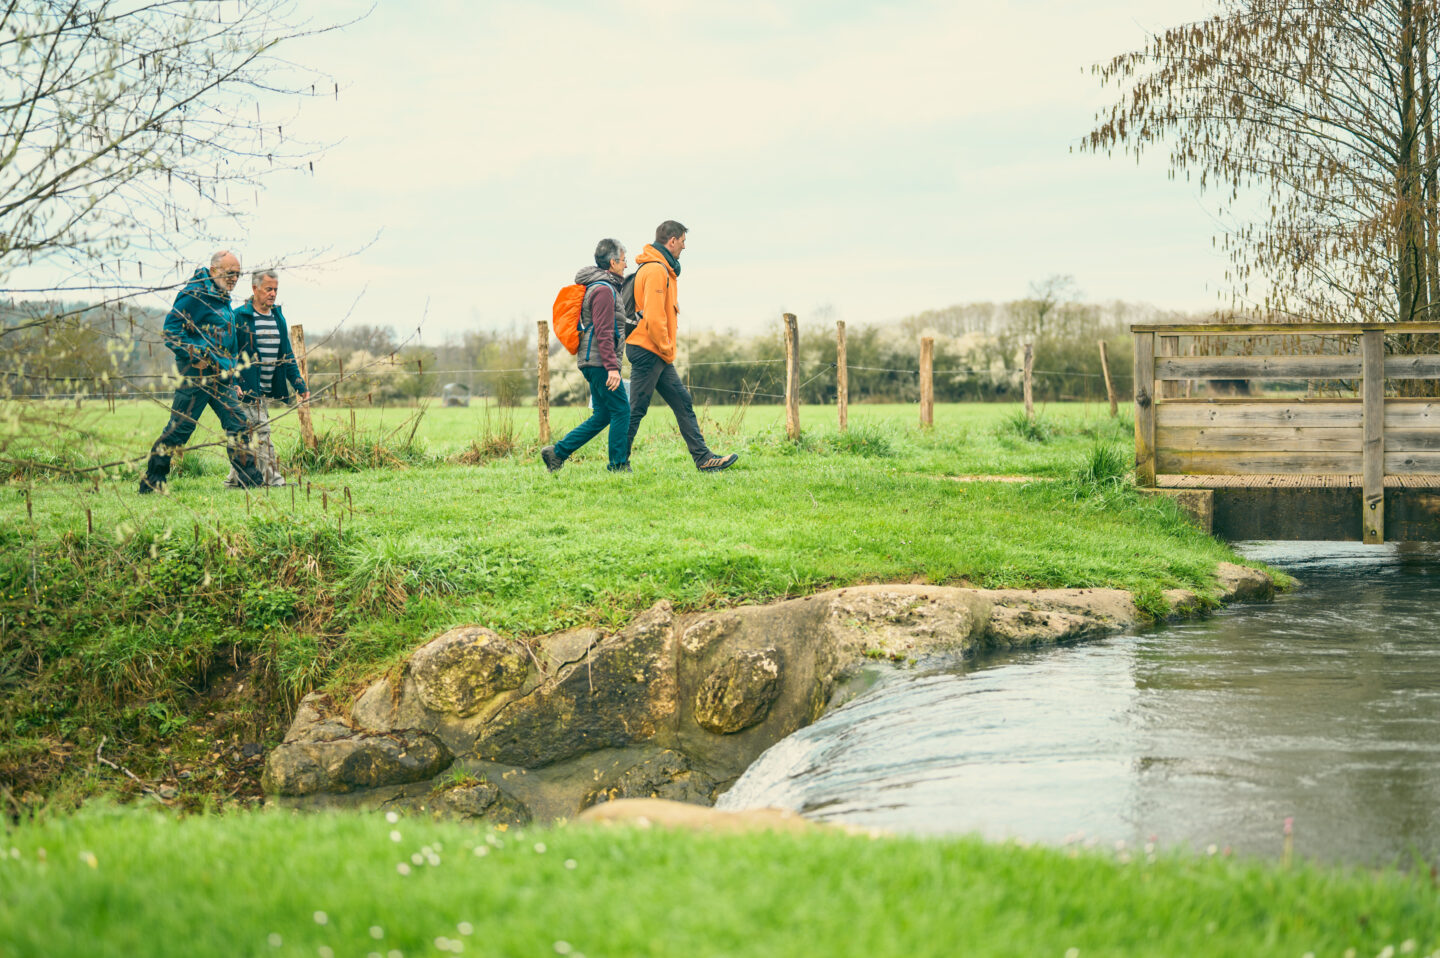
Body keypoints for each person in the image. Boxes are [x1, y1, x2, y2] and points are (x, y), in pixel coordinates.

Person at [139, 250, 263, 493]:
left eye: (237, 275)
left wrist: (233, 376)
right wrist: (197, 354)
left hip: (221, 378)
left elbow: (229, 343)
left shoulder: (221, 296)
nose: (234, 279)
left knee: (239, 424)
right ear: (214, 270)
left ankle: (251, 482)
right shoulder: (195, 294)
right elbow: (171, 330)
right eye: (230, 273)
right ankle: (152, 483)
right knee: (179, 431)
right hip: (196, 377)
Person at [624, 220, 738, 472]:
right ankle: (618, 462)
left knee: (682, 401)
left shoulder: (661, 268)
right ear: (672, 240)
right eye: (683, 241)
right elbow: (654, 318)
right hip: (649, 350)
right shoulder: (655, 270)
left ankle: (704, 459)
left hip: (655, 351)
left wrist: (664, 350)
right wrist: (666, 348)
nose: (684, 247)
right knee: (636, 409)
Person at [540, 239, 632, 473]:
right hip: (601, 362)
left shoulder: (604, 287)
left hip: (595, 360)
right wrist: (612, 367)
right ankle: (618, 466)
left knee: (602, 415)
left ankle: (557, 453)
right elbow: (603, 331)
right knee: (621, 410)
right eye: (623, 260)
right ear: (613, 262)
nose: (626, 264)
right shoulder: (602, 289)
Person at [224, 268, 310, 487]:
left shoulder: (278, 318)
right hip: (243, 388)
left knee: (244, 434)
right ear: (255, 289)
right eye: (268, 289)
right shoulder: (239, 316)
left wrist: (299, 384)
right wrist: (233, 382)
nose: (273, 294)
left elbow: (287, 355)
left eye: (275, 289)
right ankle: (273, 480)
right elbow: (228, 352)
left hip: (262, 389)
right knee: (262, 431)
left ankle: (234, 480)